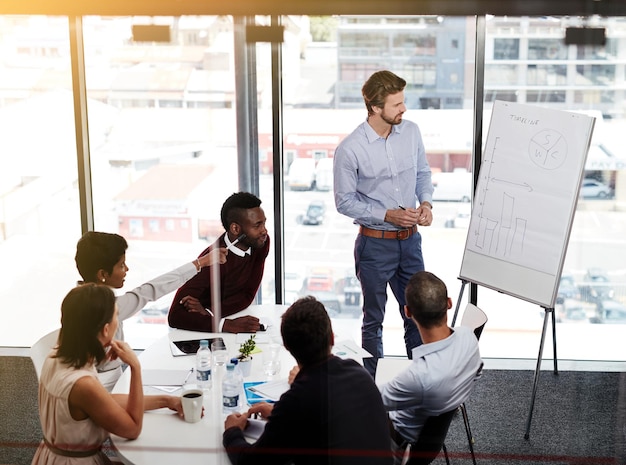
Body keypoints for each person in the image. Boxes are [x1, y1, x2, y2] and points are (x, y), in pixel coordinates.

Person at [333, 69, 435, 377]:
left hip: (411, 242)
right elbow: (344, 202)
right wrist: (387, 214)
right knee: (373, 320)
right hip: (375, 245)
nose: (404, 109)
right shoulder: (350, 149)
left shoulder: (412, 132)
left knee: (418, 315)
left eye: (403, 102)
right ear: (376, 108)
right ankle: (369, 389)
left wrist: (426, 202)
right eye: (396, 104)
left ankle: (423, 383)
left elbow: (422, 174)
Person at [222, 296, 393, 465]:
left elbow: (250, 462)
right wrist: (280, 414)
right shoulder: (360, 373)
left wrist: (232, 432)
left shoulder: (297, 400)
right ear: (332, 338)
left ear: (287, 348)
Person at [32, 284, 185, 464]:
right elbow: (133, 428)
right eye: (116, 317)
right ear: (106, 330)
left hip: (53, 456)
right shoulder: (83, 384)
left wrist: (167, 401)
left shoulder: (56, 356)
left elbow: (104, 401)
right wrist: (135, 367)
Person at [75, 231, 227, 391]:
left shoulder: (78, 301)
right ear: (103, 274)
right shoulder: (106, 307)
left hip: (111, 380)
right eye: (121, 265)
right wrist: (201, 262)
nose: (126, 269)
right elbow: (149, 290)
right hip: (107, 388)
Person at [378, 272, 483, 463]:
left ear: (407, 312)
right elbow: (476, 373)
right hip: (428, 442)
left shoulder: (418, 377)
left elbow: (372, 400)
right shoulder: (469, 340)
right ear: (449, 303)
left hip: (395, 445)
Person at [168, 191, 270, 333]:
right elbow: (175, 316)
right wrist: (226, 325)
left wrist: (209, 312)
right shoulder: (210, 261)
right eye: (257, 225)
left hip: (214, 317)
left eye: (264, 223)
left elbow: (248, 294)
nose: (264, 231)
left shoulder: (261, 243)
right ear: (235, 229)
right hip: (194, 331)